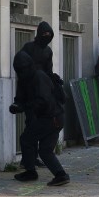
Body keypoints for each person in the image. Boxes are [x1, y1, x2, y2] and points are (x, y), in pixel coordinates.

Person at [10, 51, 70, 186]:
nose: (22, 71)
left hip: (52, 117)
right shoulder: (25, 79)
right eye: (19, 69)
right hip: (52, 117)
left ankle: (31, 171)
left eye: (23, 68)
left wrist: (23, 107)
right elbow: (21, 97)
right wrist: (16, 105)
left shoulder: (39, 77)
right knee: (45, 150)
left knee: (27, 139)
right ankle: (61, 175)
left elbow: (43, 101)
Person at [19, 21, 61, 168]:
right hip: (30, 90)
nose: (46, 37)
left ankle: (34, 157)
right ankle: (28, 159)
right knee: (30, 124)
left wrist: (53, 79)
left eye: (49, 35)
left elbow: (48, 70)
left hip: (42, 91)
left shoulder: (48, 51)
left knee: (38, 126)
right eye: (44, 35)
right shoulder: (29, 48)